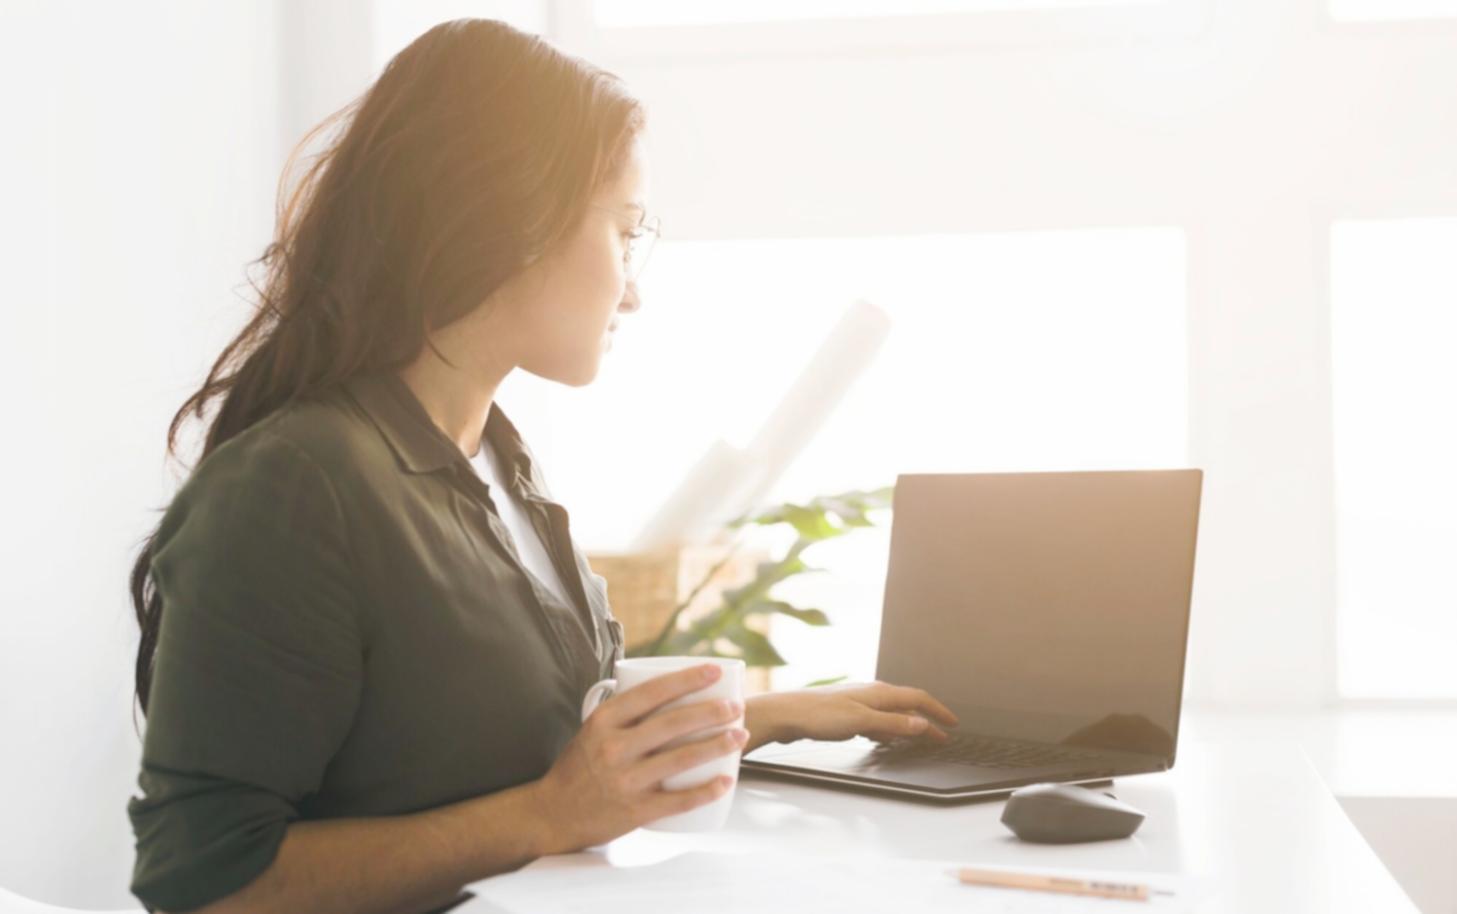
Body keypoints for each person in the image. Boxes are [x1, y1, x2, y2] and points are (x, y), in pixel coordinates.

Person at [125, 18, 959, 914]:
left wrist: (765, 714)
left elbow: (508, 729)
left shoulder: (494, 457)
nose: (633, 288)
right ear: (516, 220)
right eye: (626, 231)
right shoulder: (296, 486)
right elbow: (203, 882)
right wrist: (546, 816)